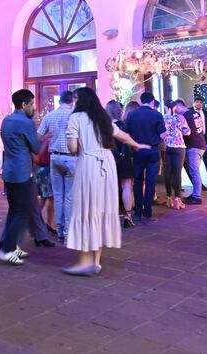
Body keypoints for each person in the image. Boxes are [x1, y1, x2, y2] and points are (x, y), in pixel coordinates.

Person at [63, 87, 149, 276]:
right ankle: (96, 261)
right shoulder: (103, 119)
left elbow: (72, 147)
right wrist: (137, 145)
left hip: (89, 163)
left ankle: (85, 262)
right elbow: (123, 137)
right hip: (107, 165)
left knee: (86, 208)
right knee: (101, 208)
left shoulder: (76, 118)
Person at [0, 89, 40, 265]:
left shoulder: (6, 120)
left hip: (9, 171)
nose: (33, 107)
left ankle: (9, 245)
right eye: (31, 104)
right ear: (24, 104)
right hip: (22, 172)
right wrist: (37, 130)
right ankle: (7, 250)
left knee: (14, 209)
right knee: (20, 211)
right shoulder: (26, 122)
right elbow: (36, 148)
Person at [37, 91, 75, 243]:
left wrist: (48, 138)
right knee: (69, 196)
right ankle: (67, 231)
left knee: (58, 196)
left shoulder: (49, 116)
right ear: (71, 101)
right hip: (70, 157)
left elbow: (39, 136)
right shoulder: (74, 115)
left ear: (60, 101)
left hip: (54, 157)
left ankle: (59, 230)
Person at [124, 92, 166, 222]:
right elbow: (163, 135)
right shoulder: (157, 114)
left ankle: (137, 213)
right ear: (152, 102)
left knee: (137, 181)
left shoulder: (132, 115)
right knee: (150, 181)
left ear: (141, 101)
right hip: (153, 150)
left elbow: (126, 133)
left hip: (137, 150)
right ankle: (147, 212)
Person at [106, 100, 134, 227]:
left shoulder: (104, 127)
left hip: (108, 159)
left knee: (109, 188)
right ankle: (128, 216)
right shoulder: (124, 126)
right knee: (127, 187)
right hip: (124, 159)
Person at [163, 101, 190, 210]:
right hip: (179, 146)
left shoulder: (162, 118)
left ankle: (169, 197)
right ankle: (177, 199)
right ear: (174, 107)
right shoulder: (180, 117)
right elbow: (187, 131)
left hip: (166, 147)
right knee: (177, 173)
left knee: (168, 172)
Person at [182, 99, 207, 205]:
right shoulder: (195, 114)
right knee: (195, 171)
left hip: (193, 146)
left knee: (194, 171)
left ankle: (196, 196)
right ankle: (195, 194)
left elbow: (185, 131)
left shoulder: (185, 115)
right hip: (201, 144)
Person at [193, 97, 207, 181]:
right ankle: (196, 176)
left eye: (200, 102)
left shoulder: (204, 112)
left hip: (204, 136)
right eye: (197, 102)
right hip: (195, 138)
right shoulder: (190, 111)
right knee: (196, 159)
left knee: (206, 156)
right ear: (194, 102)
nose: (198, 103)